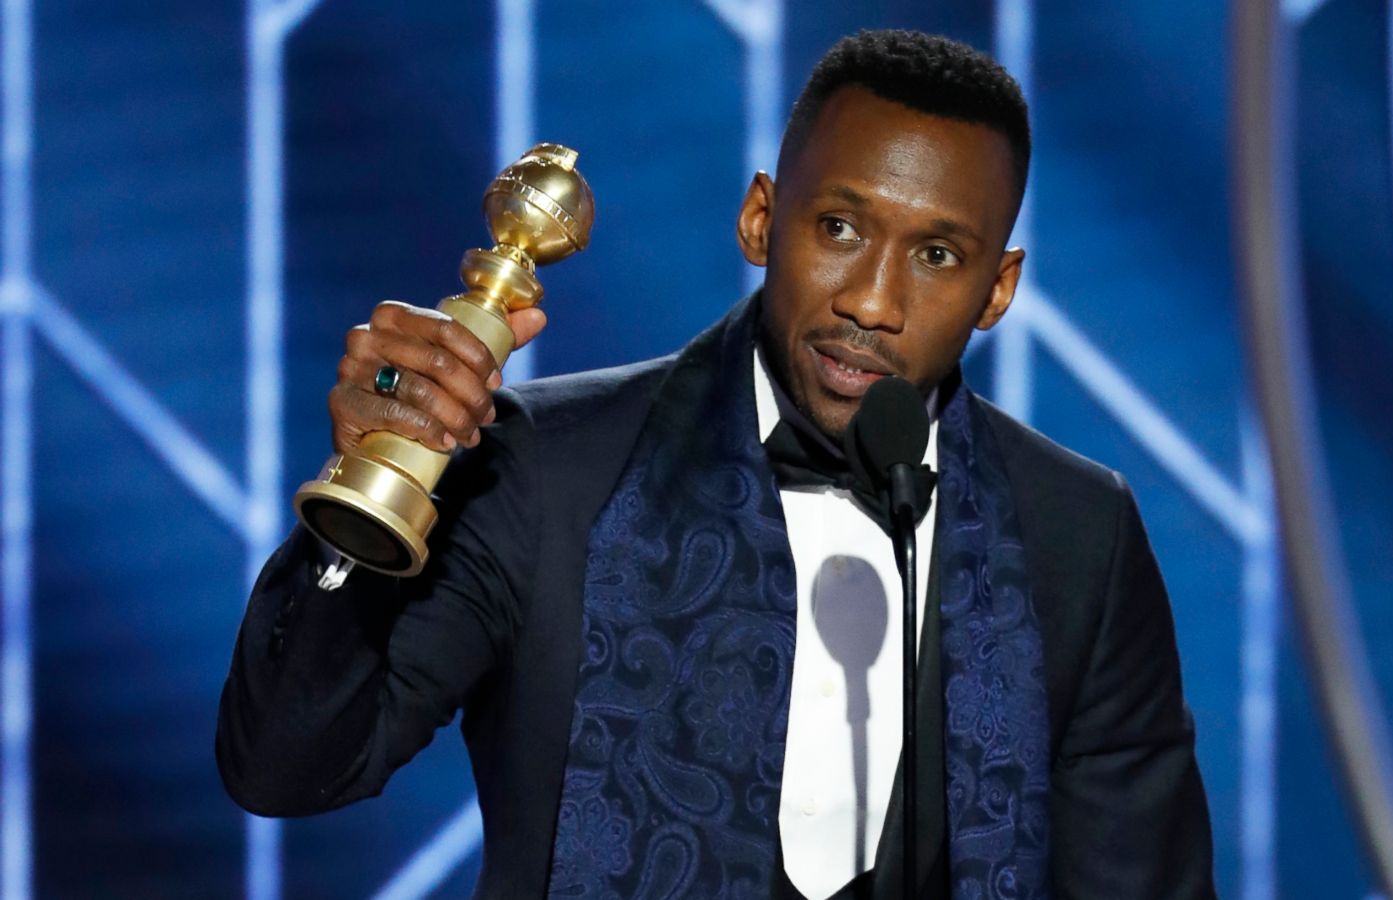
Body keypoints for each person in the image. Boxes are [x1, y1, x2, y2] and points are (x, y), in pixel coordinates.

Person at [217, 29, 1215, 899]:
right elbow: (285, 770)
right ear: (758, 221)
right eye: (839, 228)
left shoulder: (1074, 532)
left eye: (938, 257)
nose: (871, 301)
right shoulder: (547, 474)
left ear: (997, 290)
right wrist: (367, 494)